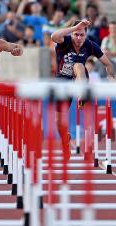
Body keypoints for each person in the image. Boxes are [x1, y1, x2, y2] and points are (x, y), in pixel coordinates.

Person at [51, 19, 115, 160]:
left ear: (86, 35)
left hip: (81, 79)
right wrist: (74, 27)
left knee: (79, 65)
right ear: (72, 33)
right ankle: (65, 141)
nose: (79, 38)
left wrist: (111, 77)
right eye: (76, 35)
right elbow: (53, 36)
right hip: (63, 82)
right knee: (59, 122)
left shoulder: (90, 45)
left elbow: (108, 64)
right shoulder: (65, 41)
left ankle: (82, 94)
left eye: (81, 35)